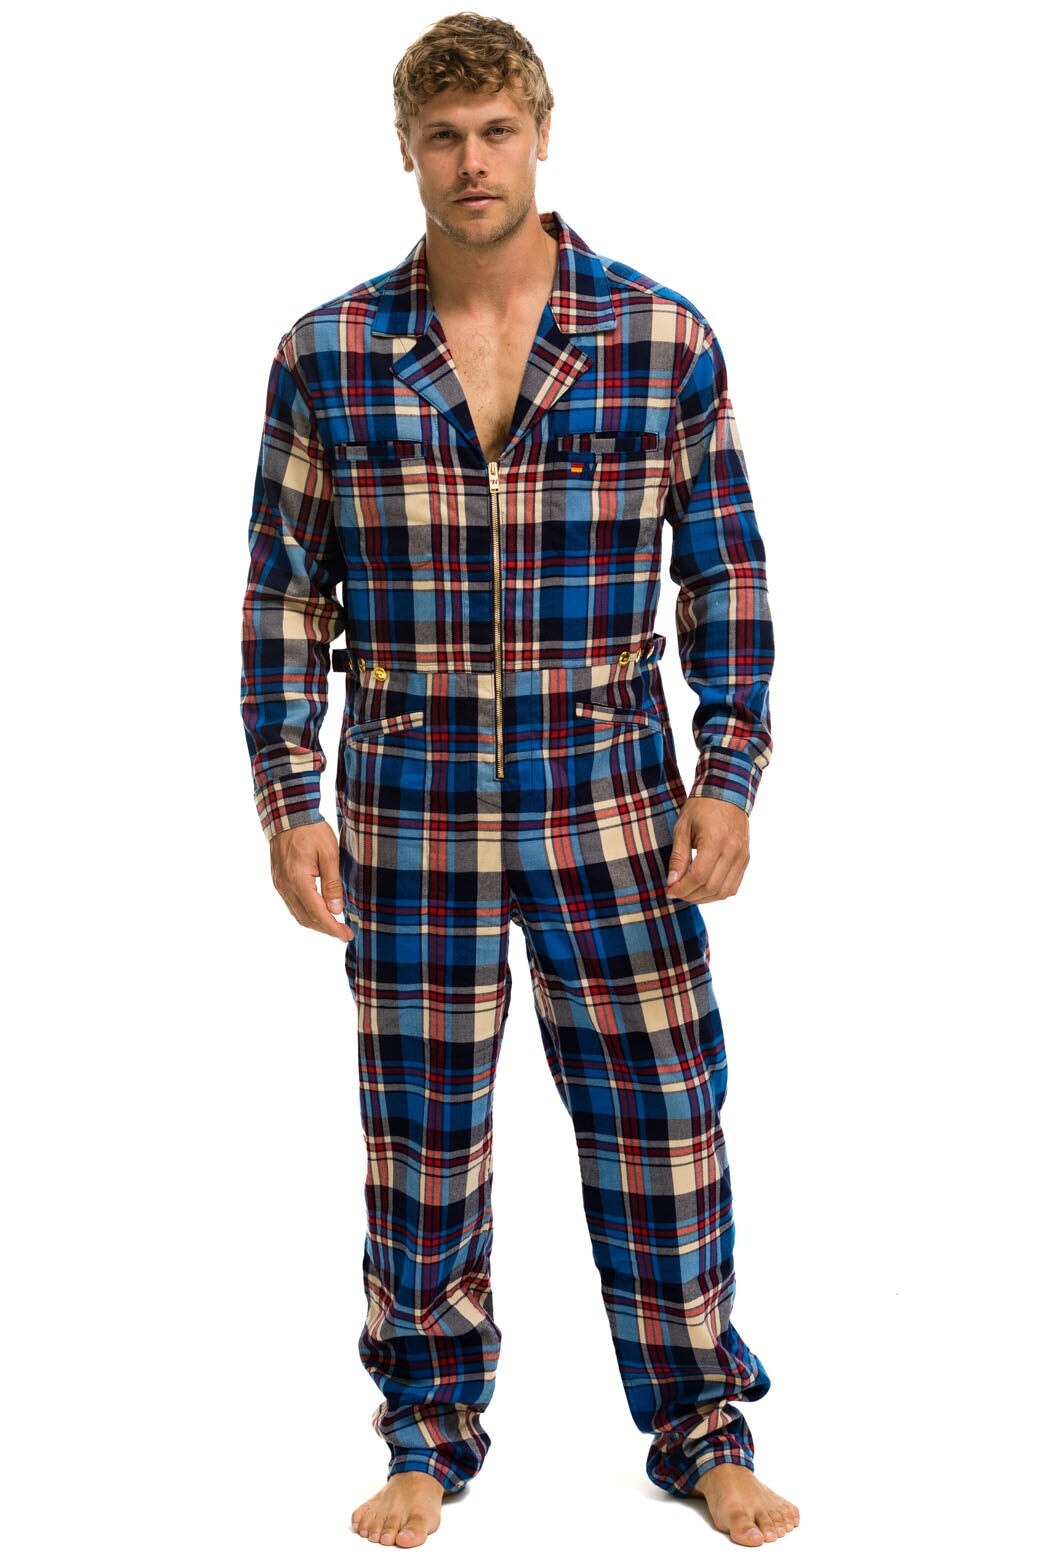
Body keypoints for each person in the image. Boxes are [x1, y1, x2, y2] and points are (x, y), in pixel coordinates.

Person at [240, 11, 798, 1549]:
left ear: (541, 136)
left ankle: (701, 1430)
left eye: (495, 131)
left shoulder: (659, 337)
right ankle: (427, 1432)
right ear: (406, 152)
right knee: (421, 1134)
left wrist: (729, 769)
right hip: (407, 790)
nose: (471, 161)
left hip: (608, 784)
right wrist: (288, 797)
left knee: (662, 1117)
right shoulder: (329, 354)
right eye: (443, 137)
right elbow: (284, 594)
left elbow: (726, 571)